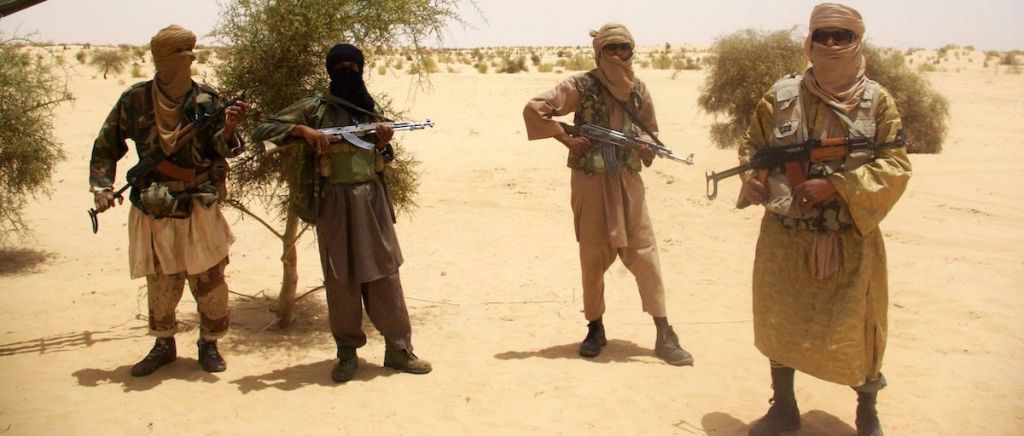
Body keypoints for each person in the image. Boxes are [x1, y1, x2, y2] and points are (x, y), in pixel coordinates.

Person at [736, 4, 912, 436]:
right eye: (823, 36)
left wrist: (836, 186)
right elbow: (752, 147)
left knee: (860, 325)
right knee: (780, 317)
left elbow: (896, 164)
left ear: (858, 40)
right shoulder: (780, 97)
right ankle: (784, 407)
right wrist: (752, 177)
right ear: (809, 41)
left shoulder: (876, 101)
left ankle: (866, 413)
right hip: (786, 234)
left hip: (849, 237)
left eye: (842, 36)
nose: (831, 44)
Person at [252, 43, 431, 383]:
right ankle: (347, 353)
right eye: (341, 65)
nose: (348, 71)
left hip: (372, 200)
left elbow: (385, 157)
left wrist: (382, 143)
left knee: (385, 275)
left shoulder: (368, 107)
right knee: (340, 278)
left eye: (353, 65)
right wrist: (303, 131)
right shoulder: (315, 108)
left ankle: (398, 350)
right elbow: (263, 130)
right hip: (333, 200)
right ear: (330, 70)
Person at [522, 23, 693, 366]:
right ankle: (595, 327)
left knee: (644, 253)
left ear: (632, 52)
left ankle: (663, 331)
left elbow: (651, 133)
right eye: (610, 49)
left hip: (627, 183)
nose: (617, 55)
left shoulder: (639, 90)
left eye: (623, 49)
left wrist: (647, 148)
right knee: (593, 257)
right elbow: (535, 108)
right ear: (598, 53)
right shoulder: (580, 86)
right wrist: (566, 138)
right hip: (590, 182)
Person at [89, 25, 247, 377]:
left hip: (199, 202)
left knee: (210, 278)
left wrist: (231, 128)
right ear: (161, 60)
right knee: (161, 280)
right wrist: (102, 187)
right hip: (154, 203)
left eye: (189, 55)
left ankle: (209, 343)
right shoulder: (135, 100)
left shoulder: (207, 100)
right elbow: (106, 144)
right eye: (179, 55)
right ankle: (163, 344)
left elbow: (224, 148)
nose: (186, 62)